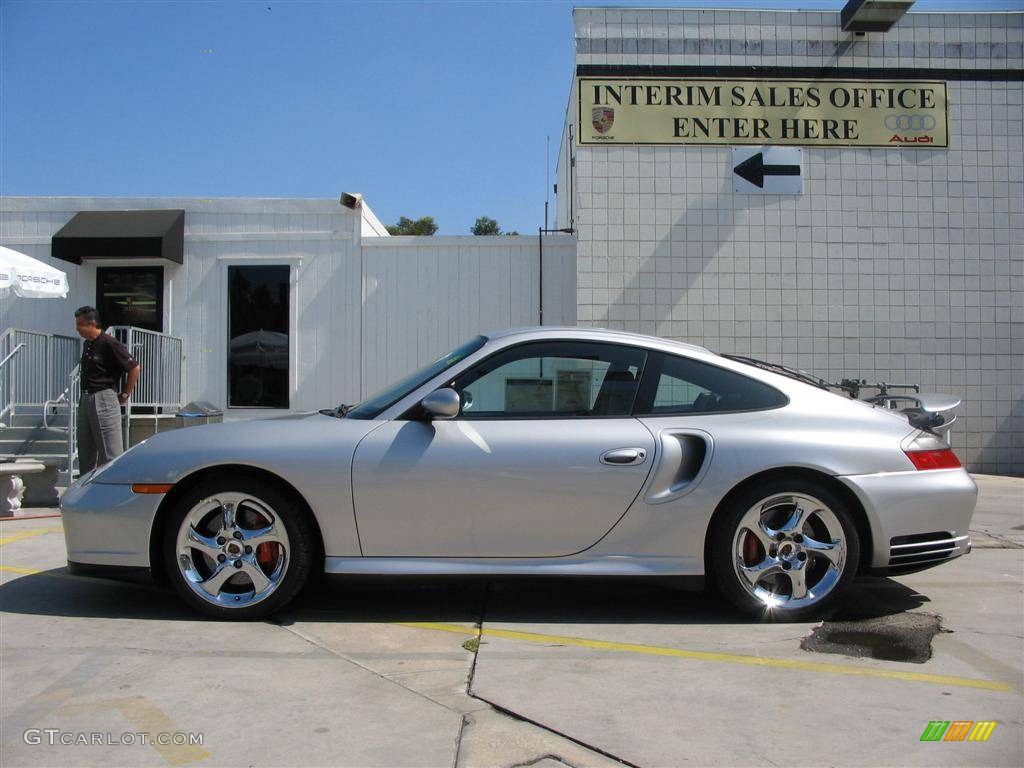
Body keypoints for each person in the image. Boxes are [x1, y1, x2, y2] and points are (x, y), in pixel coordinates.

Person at [74, 306, 141, 474]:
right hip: (86, 399)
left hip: (103, 397)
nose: (78, 328)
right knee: (85, 451)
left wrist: (125, 394)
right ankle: (86, 493)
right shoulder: (87, 344)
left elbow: (134, 367)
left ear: (93, 323)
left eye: (81, 324)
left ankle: (112, 492)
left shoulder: (109, 342)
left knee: (110, 453)